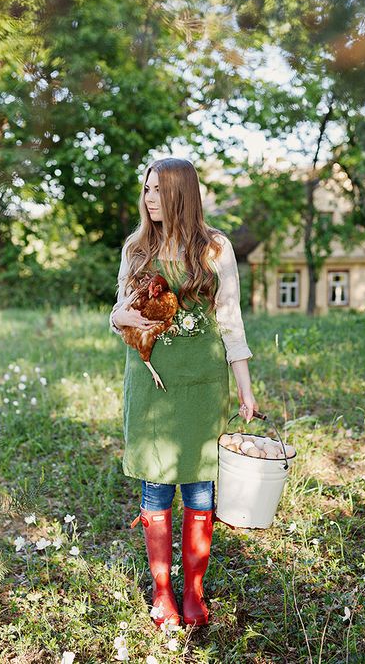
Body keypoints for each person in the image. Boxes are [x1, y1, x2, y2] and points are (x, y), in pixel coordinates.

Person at [109, 157, 258, 628]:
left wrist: (246, 393)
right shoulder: (136, 248)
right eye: (146, 188)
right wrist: (123, 318)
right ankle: (161, 594)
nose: (150, 198)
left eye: (158, 190)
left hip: (201, 382)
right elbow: (118, 312)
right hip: (152, 381)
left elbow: (231, 323)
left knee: (198, 486)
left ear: (181, 193)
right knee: (157, 484)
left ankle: (192, 593)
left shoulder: (215, 249)